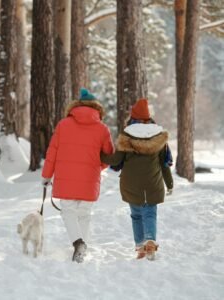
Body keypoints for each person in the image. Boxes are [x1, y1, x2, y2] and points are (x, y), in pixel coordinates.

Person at [42, 88, 114, 263]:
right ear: (96, 108)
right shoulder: (102, 128)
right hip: (90, 177)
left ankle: (78, 243)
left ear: (75, 106)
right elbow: (109, 155)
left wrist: (46, 176)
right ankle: (83, 248)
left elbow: (52, 152)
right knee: (84, 213)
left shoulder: (63, 124)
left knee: (68, 210)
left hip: (66, 178)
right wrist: (98, 166)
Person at [100, 98, 173, 260]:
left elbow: (115, 160)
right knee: (150, 214)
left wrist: (99, 154)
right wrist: (170, 184)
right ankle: (150, 241)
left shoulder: (126, 135)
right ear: (149, 117)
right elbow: (164, 164)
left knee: (136, 216)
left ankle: (140, 248)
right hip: (152, 183)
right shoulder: (159, 136)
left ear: (133, 116)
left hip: (131, 184)